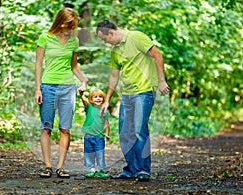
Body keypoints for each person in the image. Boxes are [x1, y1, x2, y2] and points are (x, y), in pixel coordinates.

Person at [96, 20, 170, 181]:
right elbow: (114, 75)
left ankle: (143, 170)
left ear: (111, 33)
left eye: (104, 39)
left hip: (144, 92)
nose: (105, 43)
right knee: (125, 132)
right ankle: (131, 169)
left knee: (138, 130)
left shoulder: (136, 37)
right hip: (127, 94)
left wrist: (161, 80)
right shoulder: (115, 51)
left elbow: (157, 55)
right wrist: (107, 99)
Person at [35, 7, 87, 179]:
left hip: (68, 88)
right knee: (47, 128)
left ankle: (61, 167)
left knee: (65, 128)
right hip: (48, 86)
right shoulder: (45, 38)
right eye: (67, 25)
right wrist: (37, 89)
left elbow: (74, 66)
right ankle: (47, 165)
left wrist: (83, 80)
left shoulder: (74, 41)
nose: (69, 29)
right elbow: (38, 64)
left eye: (72, 26)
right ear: (59, 22)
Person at [79, 89, 111, 178]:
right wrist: (81, 95)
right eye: (95, 97)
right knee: (89, 152)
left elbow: (106, 123)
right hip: (88, 136)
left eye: (100, 97)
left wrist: (107, 133)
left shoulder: (104, 110)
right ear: (91, 99)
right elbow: (84, 101)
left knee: (100, 153)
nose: (98, 99)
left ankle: (100, 170)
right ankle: (91, 169)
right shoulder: (89, 107)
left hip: (99, 136)